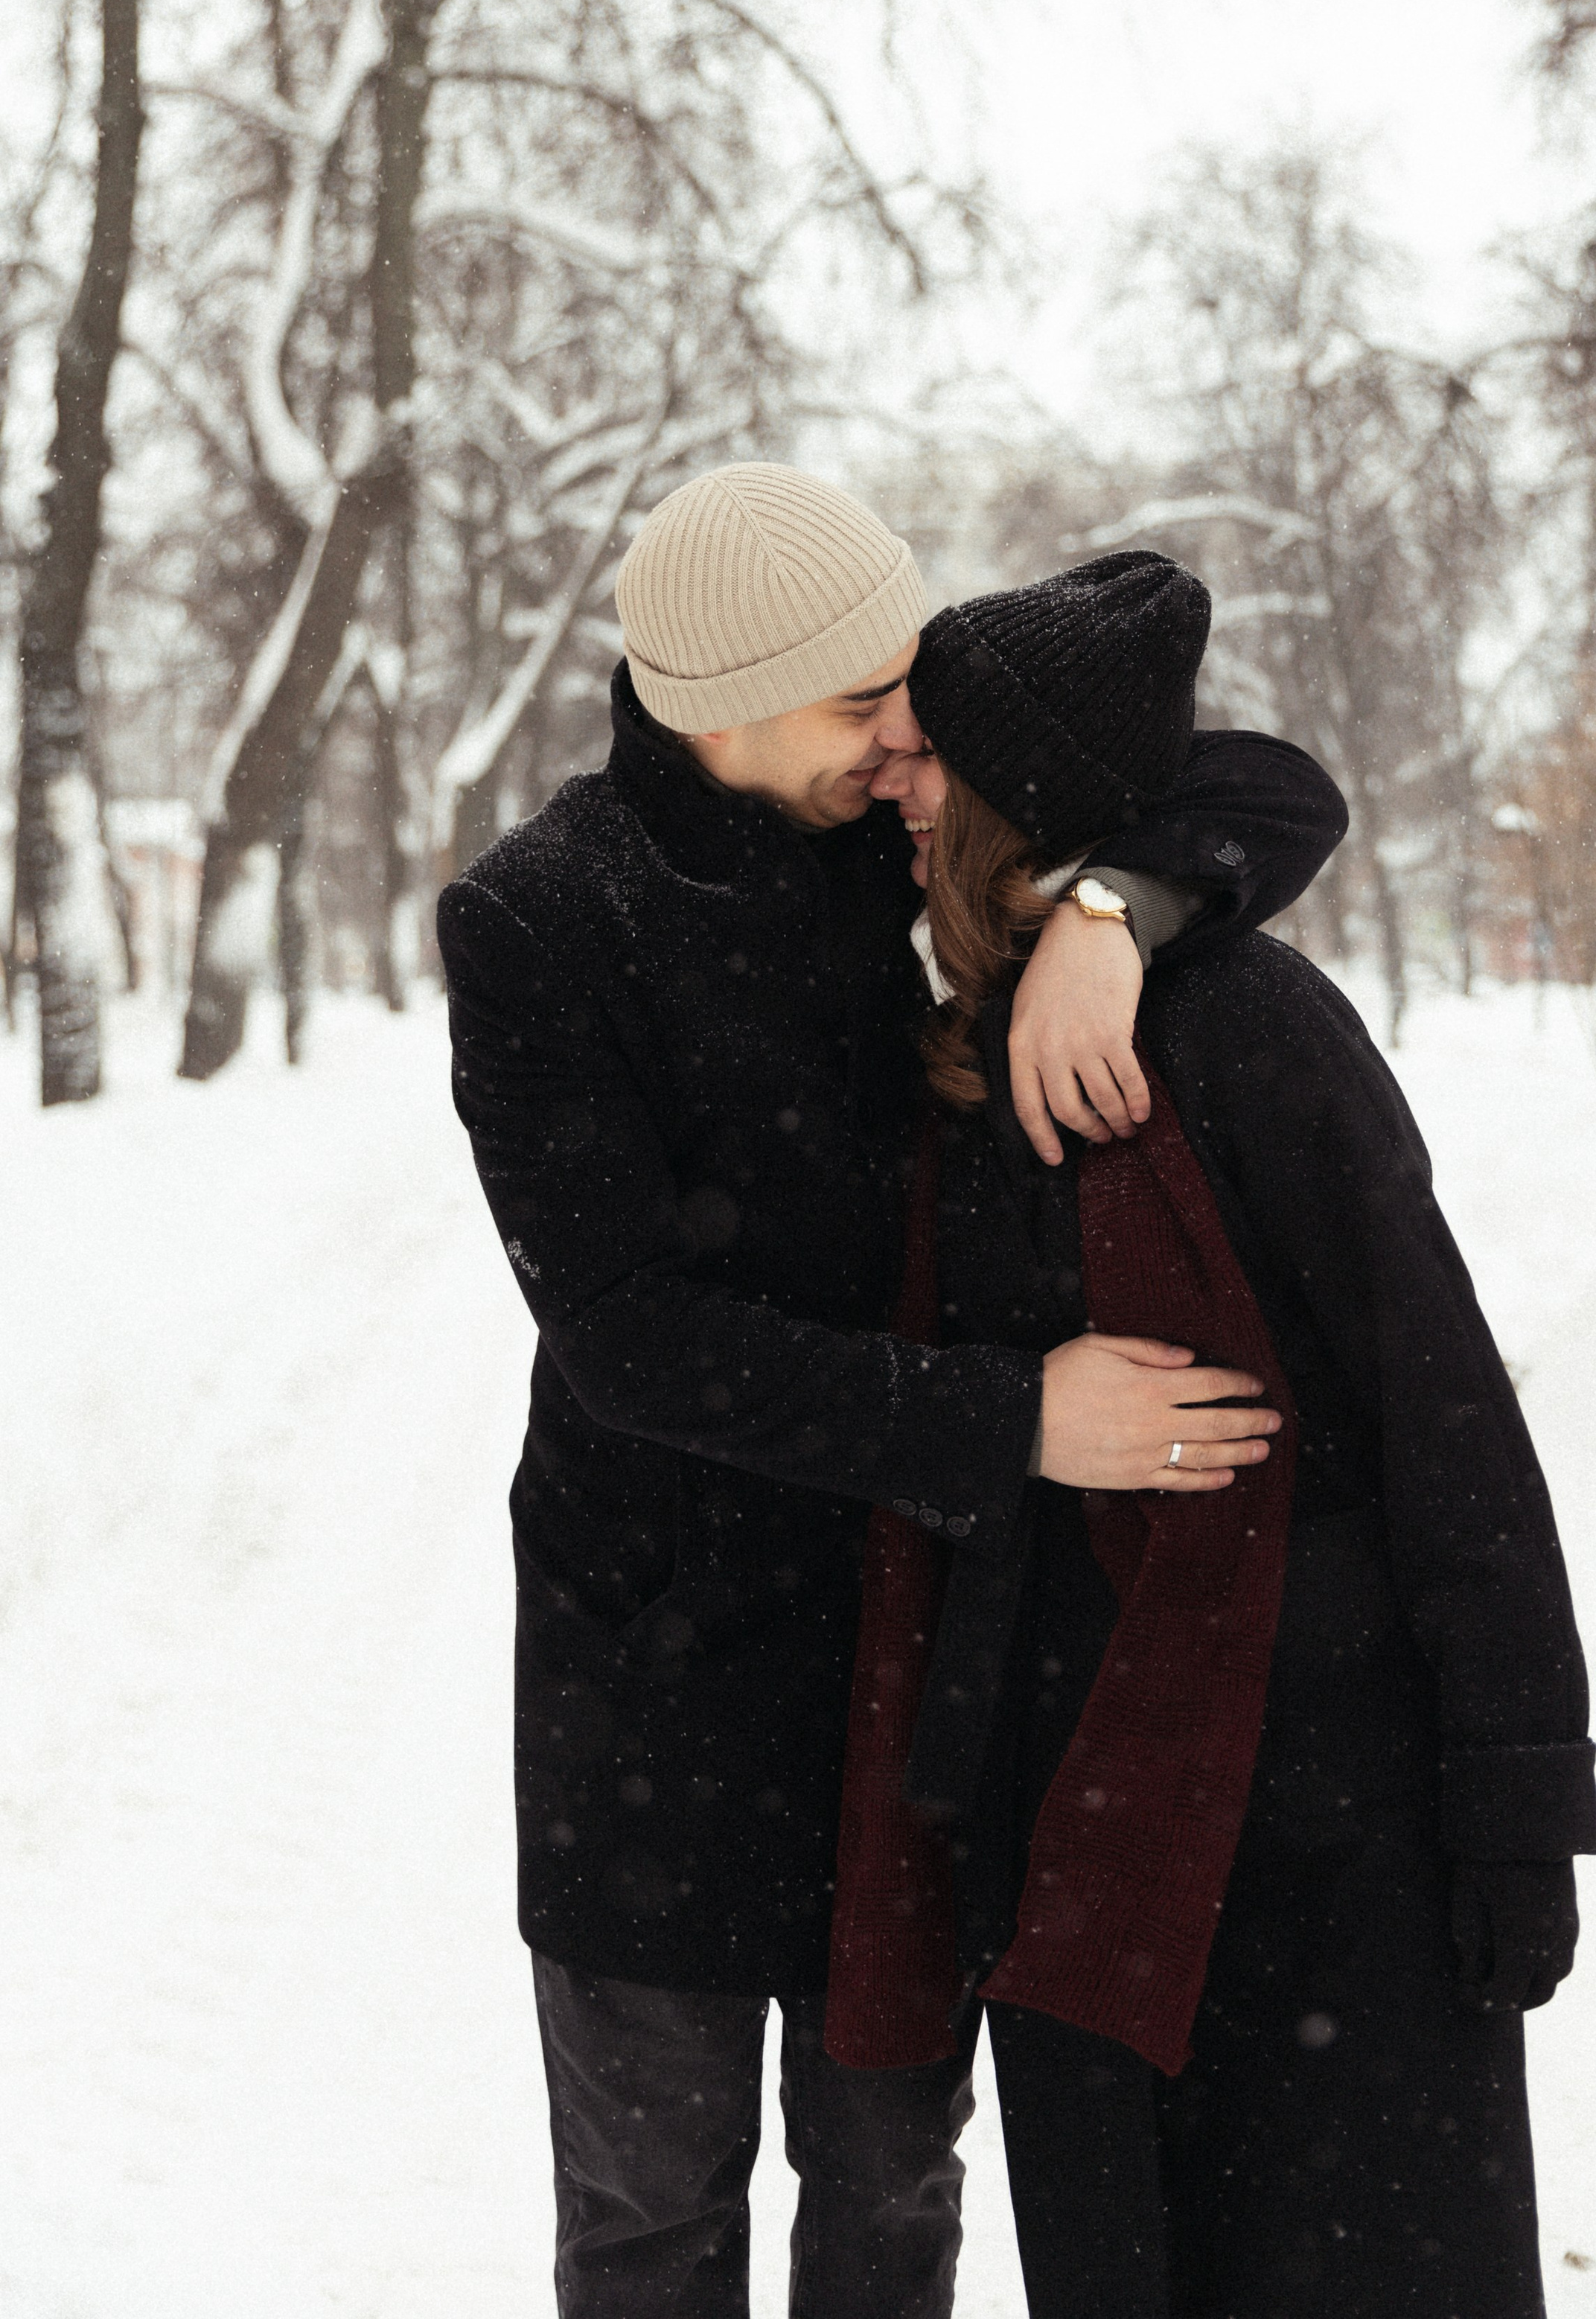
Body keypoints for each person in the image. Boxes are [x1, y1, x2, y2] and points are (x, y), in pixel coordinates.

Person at [435, 465, 1347, 2318]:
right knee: (649, 2215)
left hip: (906, 1662)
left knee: (889, 2189)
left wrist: (1107, 908)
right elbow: (625, 1335)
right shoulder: (539, 916)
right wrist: (1011, 1420)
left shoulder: (898, 833)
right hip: (650, 1682)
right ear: (722, 703)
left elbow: (1272, 786)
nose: (902, 737)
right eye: (863, 701)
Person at [827, 548, 1596, 2319]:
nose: (891, 782)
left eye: (928, 754)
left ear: (1017, 793)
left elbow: (1443, 1418)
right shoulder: (956, 1033)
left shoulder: (1251, 1031)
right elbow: (1262, 789)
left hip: (1324, 1821)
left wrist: (1513, 1802)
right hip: (1067, 1819)